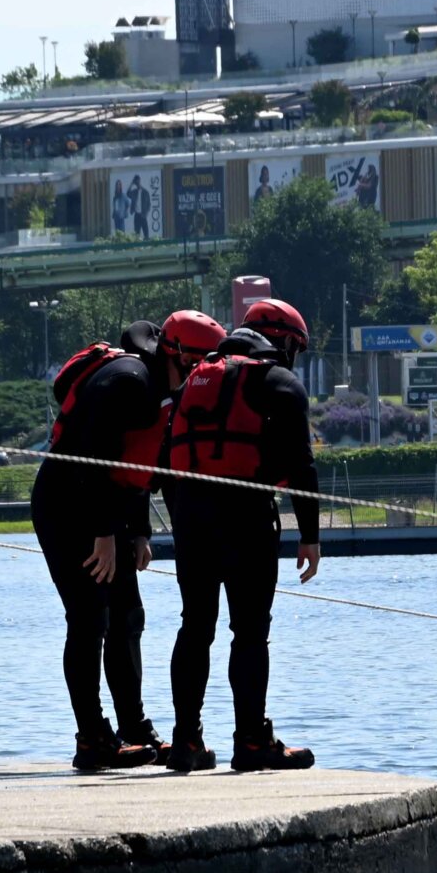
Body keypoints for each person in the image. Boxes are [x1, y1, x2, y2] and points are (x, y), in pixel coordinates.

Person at [33, 310, 224, 770]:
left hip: (106, 510)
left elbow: (136, 462)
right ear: (179, 357)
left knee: (126, 617)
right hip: (68, 506)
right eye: (199, 366)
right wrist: (103, 533)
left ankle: (133, 729)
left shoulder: (158, 387)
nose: (201, 377)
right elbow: (93, 458)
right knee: (88, 618)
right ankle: (92, 738)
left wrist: (138, 531)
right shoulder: (128, 382)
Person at [159, 297, 320, 772]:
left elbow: (167, 459)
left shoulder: (195, 379)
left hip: (192, 519)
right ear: (284, 342)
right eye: (296, 348)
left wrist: (183, 520)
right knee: (249, 632)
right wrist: (310, 536)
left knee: (195, 626)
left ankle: (186, 741)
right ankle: (251, 742)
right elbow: (302, 466)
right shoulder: (279, 382)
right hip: (246, 516)